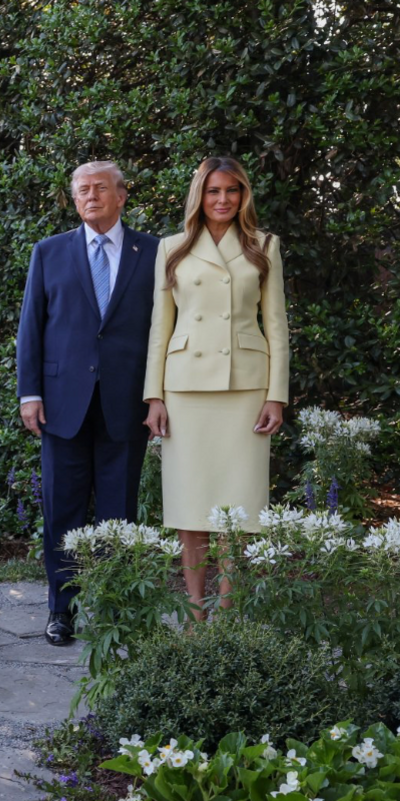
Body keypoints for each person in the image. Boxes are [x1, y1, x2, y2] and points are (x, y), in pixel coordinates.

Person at [16, 161, 160, 645]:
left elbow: (165, 331)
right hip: (61, 405)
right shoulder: (49, 252)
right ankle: (63, 611)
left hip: (127, 403)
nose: (91, 196)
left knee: (119, 513)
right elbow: (31, 327)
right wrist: (29, 393)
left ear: (122, 196)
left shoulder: (155, 253)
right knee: (63, 511)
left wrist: (159, 393)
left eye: (101, 188)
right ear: (73, 200)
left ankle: (116, 609)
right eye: (82, 190)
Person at [143, 156, 289, 620]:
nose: (223, 199)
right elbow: (159, 329)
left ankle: (225, 611)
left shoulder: (264, 245)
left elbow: (278, 325)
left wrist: (276, 394)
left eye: (232, 191)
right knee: (190, 512)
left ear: (244, 195)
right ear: (199, 197)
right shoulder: (172, 247)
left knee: (236, 511)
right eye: (213, 191)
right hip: (185, 389)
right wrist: (154, 396)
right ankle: (194, 614)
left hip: (245, 387)